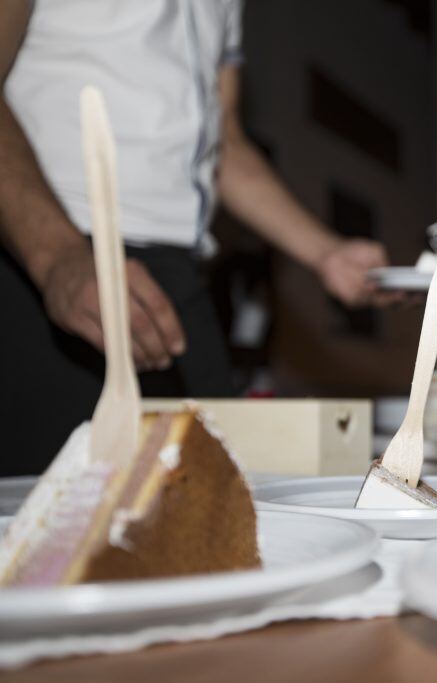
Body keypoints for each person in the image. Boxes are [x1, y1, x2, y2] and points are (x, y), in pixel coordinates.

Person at [0, 0, 393, 475]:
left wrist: (326, 252)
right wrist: (57, 256)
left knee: (213, 504)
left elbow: (223, 142)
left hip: (178, 277)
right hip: (47, 258)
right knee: (47, 519)